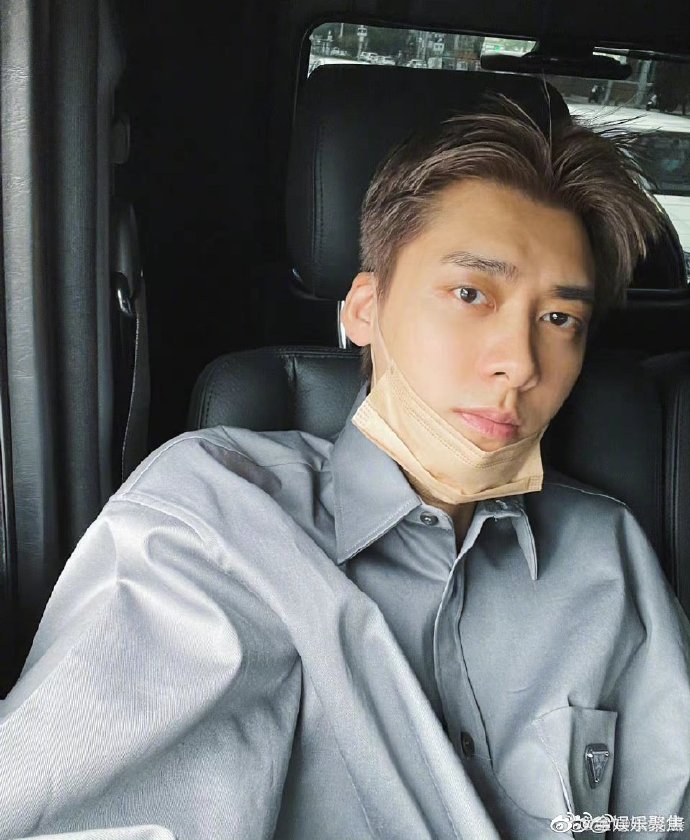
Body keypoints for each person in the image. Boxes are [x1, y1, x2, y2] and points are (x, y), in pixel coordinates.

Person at [0, 101, 688, 840]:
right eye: (470, 294)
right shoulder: (215, 517)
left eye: (559, 320)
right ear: (365, 309)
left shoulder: (607, 552)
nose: (520, 364)